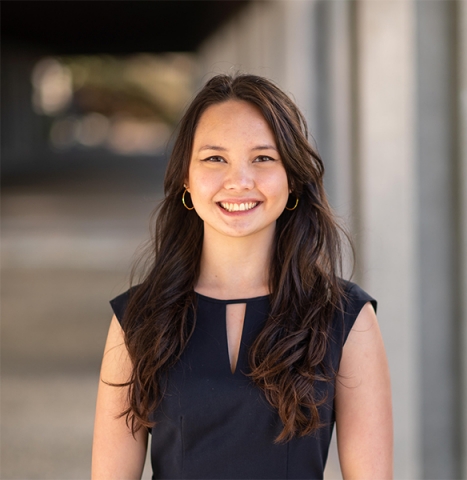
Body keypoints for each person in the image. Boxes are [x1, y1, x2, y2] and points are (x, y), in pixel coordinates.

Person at [92, 74, 393, 479]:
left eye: (263, 158)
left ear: (292, 178)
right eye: (215, 158)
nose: (239, 181)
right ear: (186, 176)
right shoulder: (138, 319)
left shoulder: (345, 318)